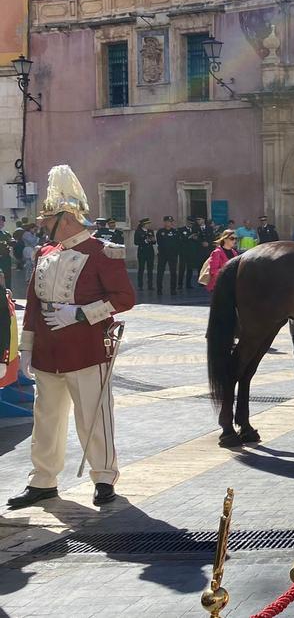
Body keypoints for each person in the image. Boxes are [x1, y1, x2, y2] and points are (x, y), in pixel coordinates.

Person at [6, 165, 136, 509]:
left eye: (48, 222)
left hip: (87, 348)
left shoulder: (102, 251)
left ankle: (104, 477)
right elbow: (33, 302)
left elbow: (124, 299)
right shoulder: (44, 254)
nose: (43, 229)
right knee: (46, 418)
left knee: (93, 416)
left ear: (64, 218)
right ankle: (43, 480)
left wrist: (79, 313)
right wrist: (28, 347)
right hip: (49, 350)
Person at [155, 216, 182, 296]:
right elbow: (159, 242)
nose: (168, 223)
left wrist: (175, 252)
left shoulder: (175, 232)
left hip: (172, 255)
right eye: (167, 222)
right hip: (163, 255)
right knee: (160, 272)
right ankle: (159, 289)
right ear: (164, 222)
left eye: (170, 222)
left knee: (173, 272)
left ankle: (173, 289)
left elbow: (178, 243)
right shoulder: (160, 232)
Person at [180, 217, 202, 290]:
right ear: (187, 222)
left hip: (192, 252)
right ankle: (180, 284)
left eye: (192, 224)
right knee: (182, 268)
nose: (191, 225)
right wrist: (189, 237)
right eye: (189, 223)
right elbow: (180, 240)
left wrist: (196, 239)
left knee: (190, 269)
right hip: (183, 252)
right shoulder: (181, 230)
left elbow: (199, 240)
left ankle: (188, 284)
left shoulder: (195, 230)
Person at [134, 218, 155, 291]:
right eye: (147, 224)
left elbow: (154, 241)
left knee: (150, 269)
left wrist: (153, 240)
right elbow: (136, 242)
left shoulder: (151, 231)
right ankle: (140, 285)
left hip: (150, 251)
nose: (149, 225)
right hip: (142, 251)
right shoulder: (138, 232)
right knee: (141, 268)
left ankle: (150, 285)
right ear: (144, 224)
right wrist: (145, 241)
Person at [0, 216, 11, 291]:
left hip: (5, 258)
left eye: (2, 221)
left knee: (7, 276)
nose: (1, 223)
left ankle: (7, 294)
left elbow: (11, 242)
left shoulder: (6, 233)